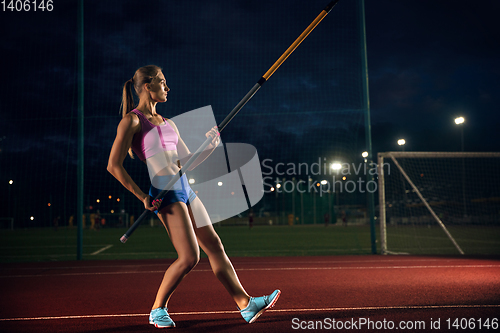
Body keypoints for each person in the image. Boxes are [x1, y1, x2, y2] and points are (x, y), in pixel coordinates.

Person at [107, 65, 280, 328]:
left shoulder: (169, 123)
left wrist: (210, 145)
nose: (167, 88)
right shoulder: (131, 121)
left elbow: (186, 162)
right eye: (163, 83)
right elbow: (113, 166)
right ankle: (157, 309)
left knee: (215, 246)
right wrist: (142, 196)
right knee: (189, 257)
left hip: (185, 188)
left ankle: (245, 304)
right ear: (147, 86)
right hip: (164, 193)